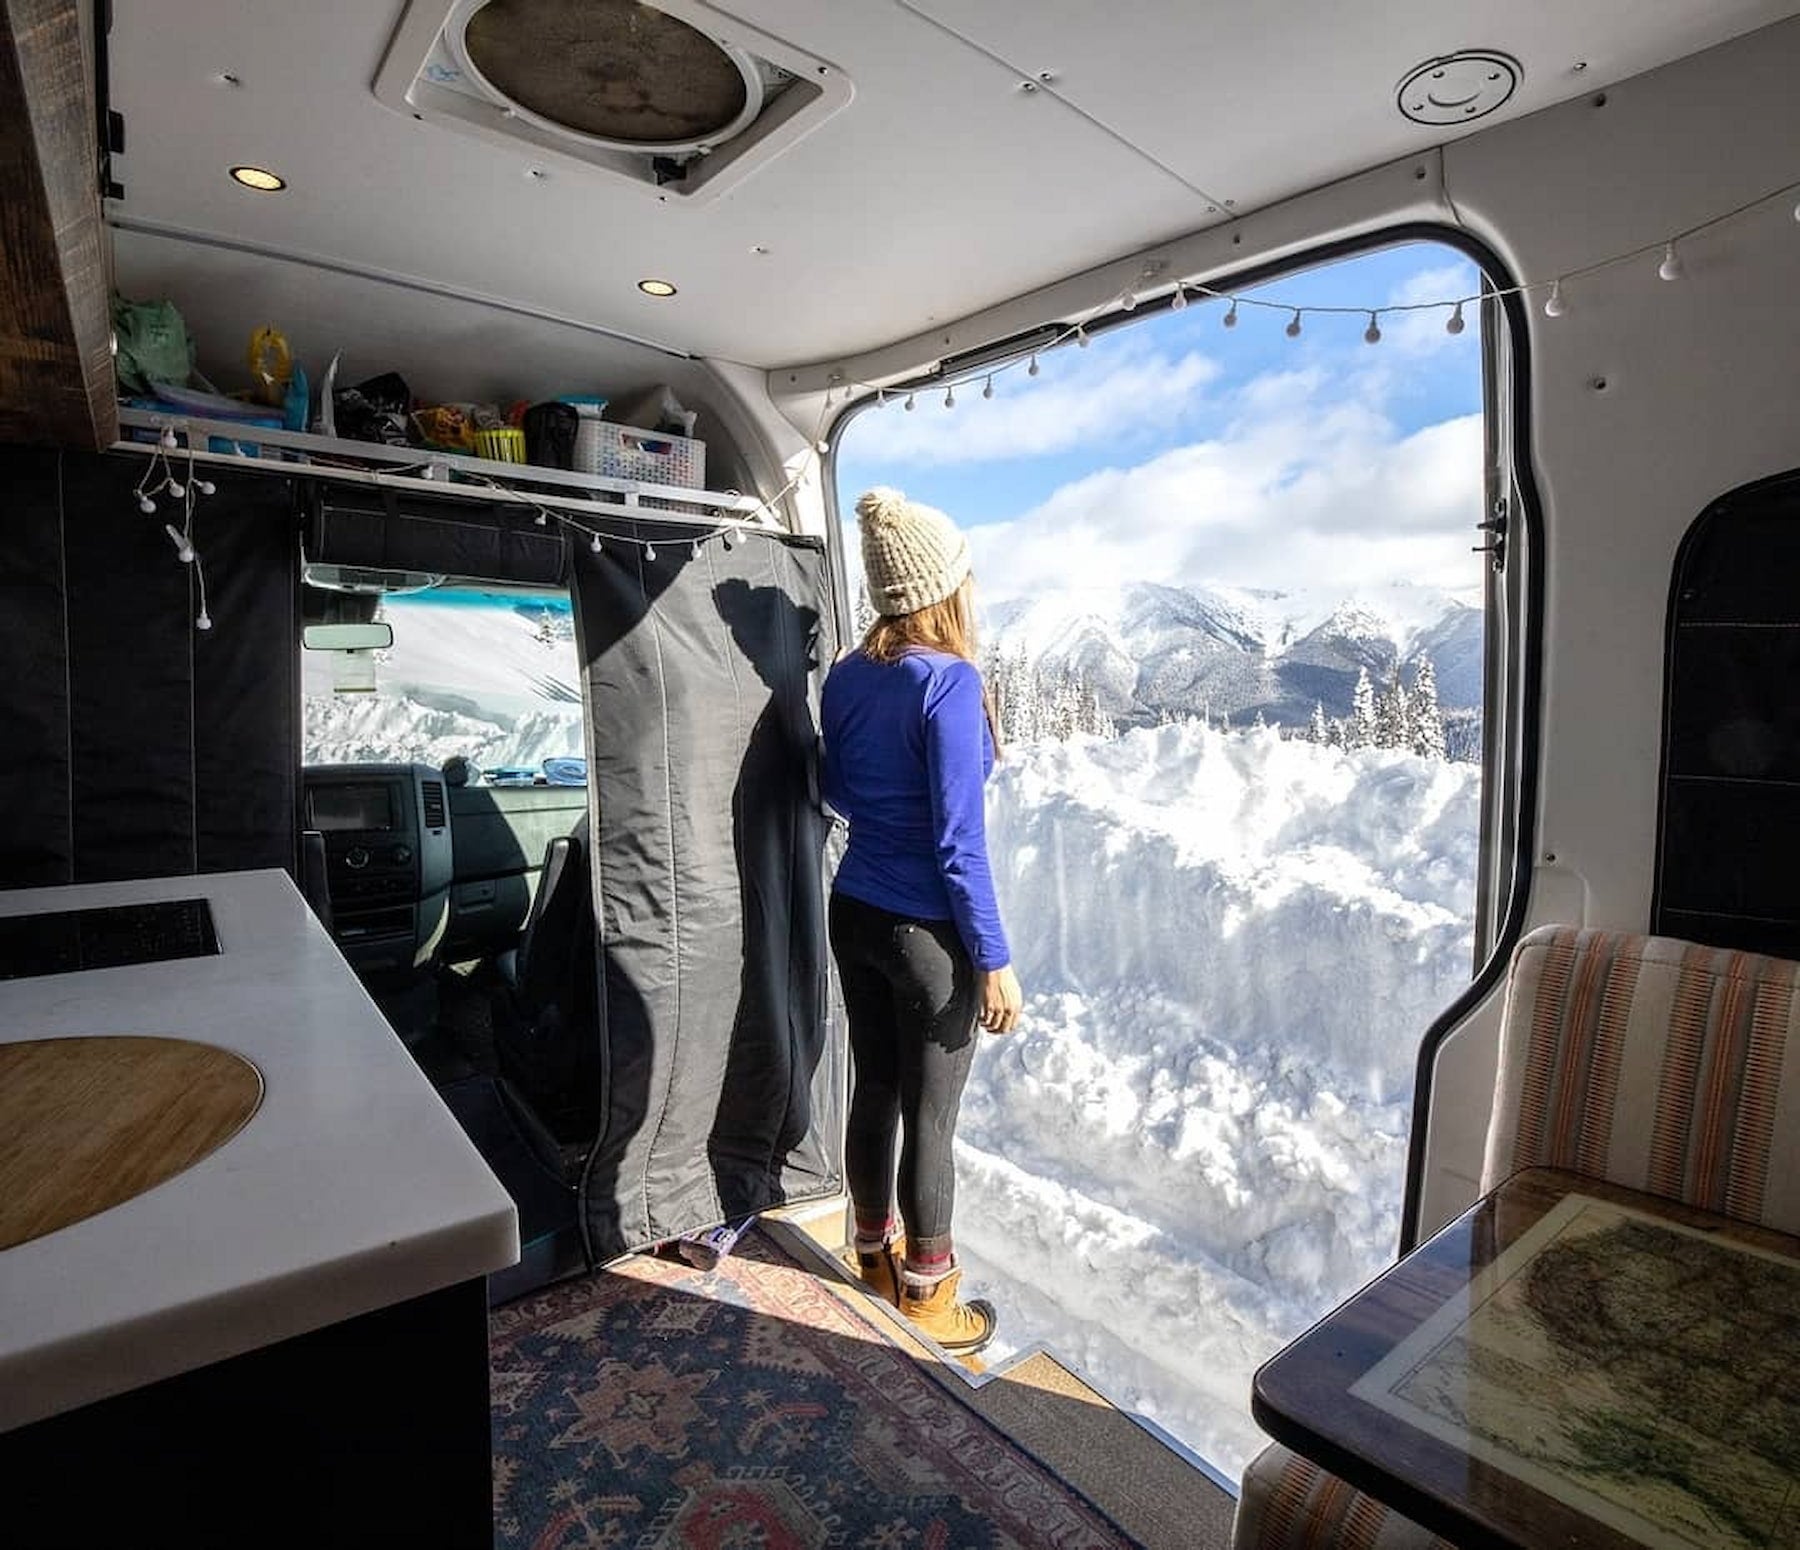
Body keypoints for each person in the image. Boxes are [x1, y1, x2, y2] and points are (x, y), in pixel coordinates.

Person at [820, 486, 1023, 1357]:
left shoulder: (847, 674)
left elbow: (830, 788)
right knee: (931, 1122)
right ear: (944, 587)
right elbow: (958, 843)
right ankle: (931, 1300)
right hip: (924, 937)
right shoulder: (950, 683)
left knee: (875, 1090)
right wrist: (994, 958)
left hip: (854, 909)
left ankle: (871, 1257)